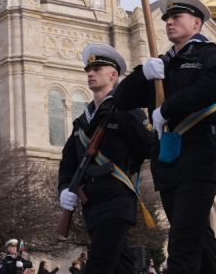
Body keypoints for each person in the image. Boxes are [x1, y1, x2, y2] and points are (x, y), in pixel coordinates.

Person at [114, 0, 216, 273]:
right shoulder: (161, 64)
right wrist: (143, 74)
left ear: (196, 23)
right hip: (168, 162)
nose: (169, 22)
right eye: (166, 18)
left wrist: (169, 109)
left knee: (182, 242)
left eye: (177, 16)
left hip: (200, 156)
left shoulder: (211, 54)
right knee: (200, 241)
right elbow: (121, 100)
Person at [58, 44, 151, 274]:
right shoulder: (82, 121)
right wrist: (64, 189)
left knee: (99, 265)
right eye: (88, 69)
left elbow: (150, 145)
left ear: (113, 75)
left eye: (97, 68)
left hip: (117, 200)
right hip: (92, 205)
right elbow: (68, 161)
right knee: (121, 266)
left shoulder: (127, 111)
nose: (90, 73)